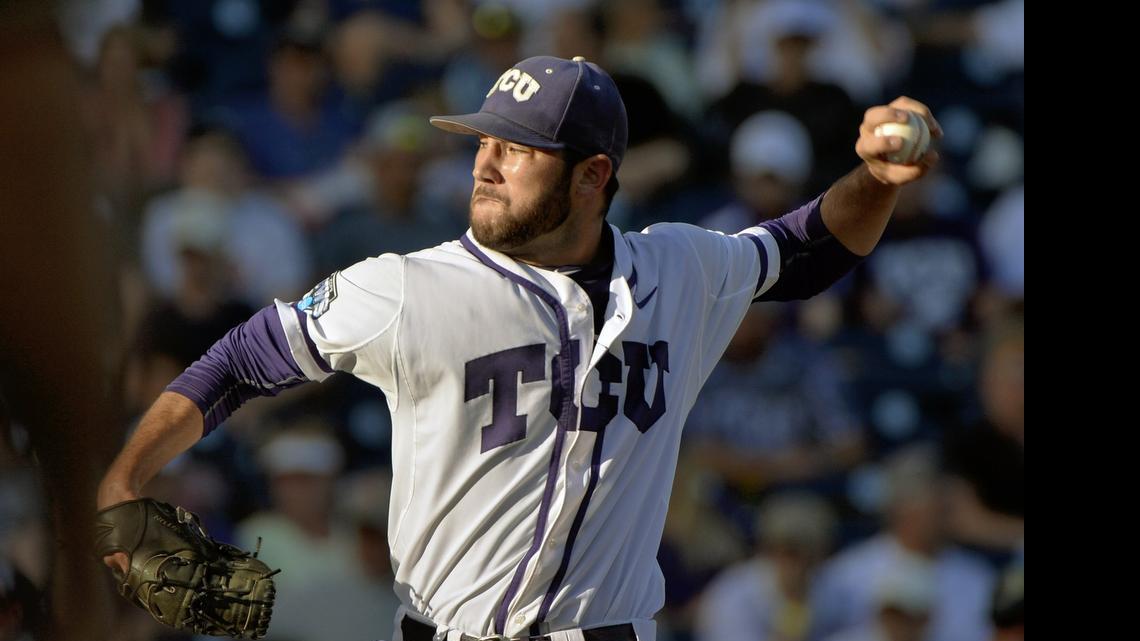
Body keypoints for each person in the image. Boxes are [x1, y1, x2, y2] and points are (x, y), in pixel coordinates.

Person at [97, 55, 941, 641]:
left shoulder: (682, 266)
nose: (485, 163)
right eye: (483, 141)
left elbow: (806, 248)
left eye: (516, 146)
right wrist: (126, 476)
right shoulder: (406, 288)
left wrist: (876, 178)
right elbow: (244, 357)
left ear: (592, 175)